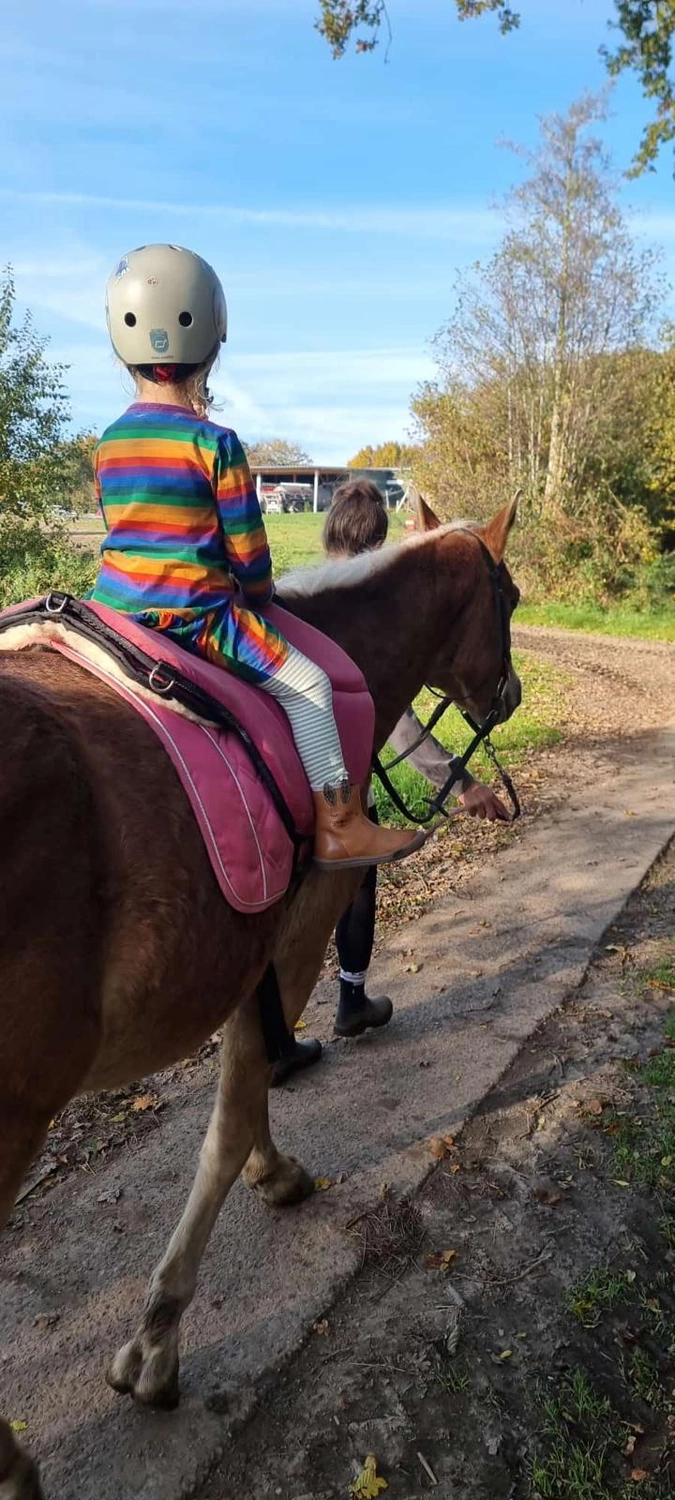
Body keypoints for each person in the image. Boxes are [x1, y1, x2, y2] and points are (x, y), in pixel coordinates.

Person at [91, 244, 427, 872]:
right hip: (197, 621)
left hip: (114, 614)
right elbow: (250, 562)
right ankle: (341, 823)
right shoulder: (215, 443)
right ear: (214, 343)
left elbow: (123, 528)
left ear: (121, 345)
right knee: (311, 685)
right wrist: (258, 591)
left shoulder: (109, 443)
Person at [272, 479, 510, 1083]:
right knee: (349, 874)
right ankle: (332, 1008)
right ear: (380, 543)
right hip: (335, 776)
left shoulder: (304, 592)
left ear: (330, 531)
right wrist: (461, 785)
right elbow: (399, 725)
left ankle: (292, 1026)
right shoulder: (373, 610)